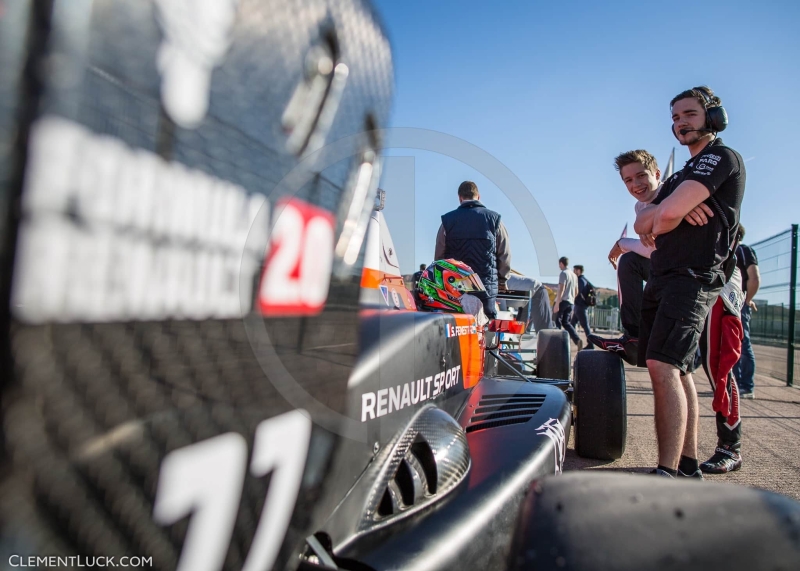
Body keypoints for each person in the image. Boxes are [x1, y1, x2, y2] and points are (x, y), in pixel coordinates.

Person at [634, 86, 745, 478]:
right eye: (675, 118)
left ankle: (666, 472)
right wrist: (671, 209)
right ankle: (687, 465)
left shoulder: (720, 157)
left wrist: (669, 212)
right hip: (664, 276)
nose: (680, 123)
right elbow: (642, 221)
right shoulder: (683, 172)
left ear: (713, 117)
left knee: (662, 365)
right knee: (678, 371)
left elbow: (662, 218)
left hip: (694, 277)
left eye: (689, 114)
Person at [591, 150, 663, 363]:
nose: (636, 184)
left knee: (709, 362)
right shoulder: (640, 206)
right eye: (628, 180)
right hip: (666, 269)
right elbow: (651, 247)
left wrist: (623, 244)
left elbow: (655, 249)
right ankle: (634, 337)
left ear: (657, 174)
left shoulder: (672, 194)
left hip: (695, 275)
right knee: (629, 261)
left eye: (641, 176)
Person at [435, 181, 511, 319]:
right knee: (487, 328)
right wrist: (502, 280)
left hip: (455, 289)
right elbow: (504, 254)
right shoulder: (495, 220)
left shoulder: (447, 222)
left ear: (460, 198)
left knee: (455, 329)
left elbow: (439, 258)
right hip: (485, 289)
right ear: (478, 196)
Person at [733, 225, 761, 399]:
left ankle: (746, 386)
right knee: (730, 344)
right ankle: (734, 383)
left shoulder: (743, 251)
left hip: (738, 303)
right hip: (728, 302)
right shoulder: (724, 253)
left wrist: (747, 299)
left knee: (743, 344)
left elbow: (754, 277)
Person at [553, 257, 583, 350]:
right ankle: (577, 340)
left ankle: (556, 343)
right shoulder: (574, 275)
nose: (559, 266)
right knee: (566, 323)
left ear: (561, 263)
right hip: (571, 302)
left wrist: (557, 303)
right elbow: (576, 290)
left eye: (559, 264)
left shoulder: (563, 273)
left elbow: (561, 288)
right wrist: (572, 299)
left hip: (563, 301)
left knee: (556, 320)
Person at [569, 265, 594, 349]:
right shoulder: (583, 280)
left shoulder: (580, 280)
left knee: (585, 326)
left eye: (574, 270)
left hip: (580, 306)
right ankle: (574, 341)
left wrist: (571, 298)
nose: (573, 271)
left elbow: (577, 292)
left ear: (578, 271)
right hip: (579, 306)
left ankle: (591, 344)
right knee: (571, 325)